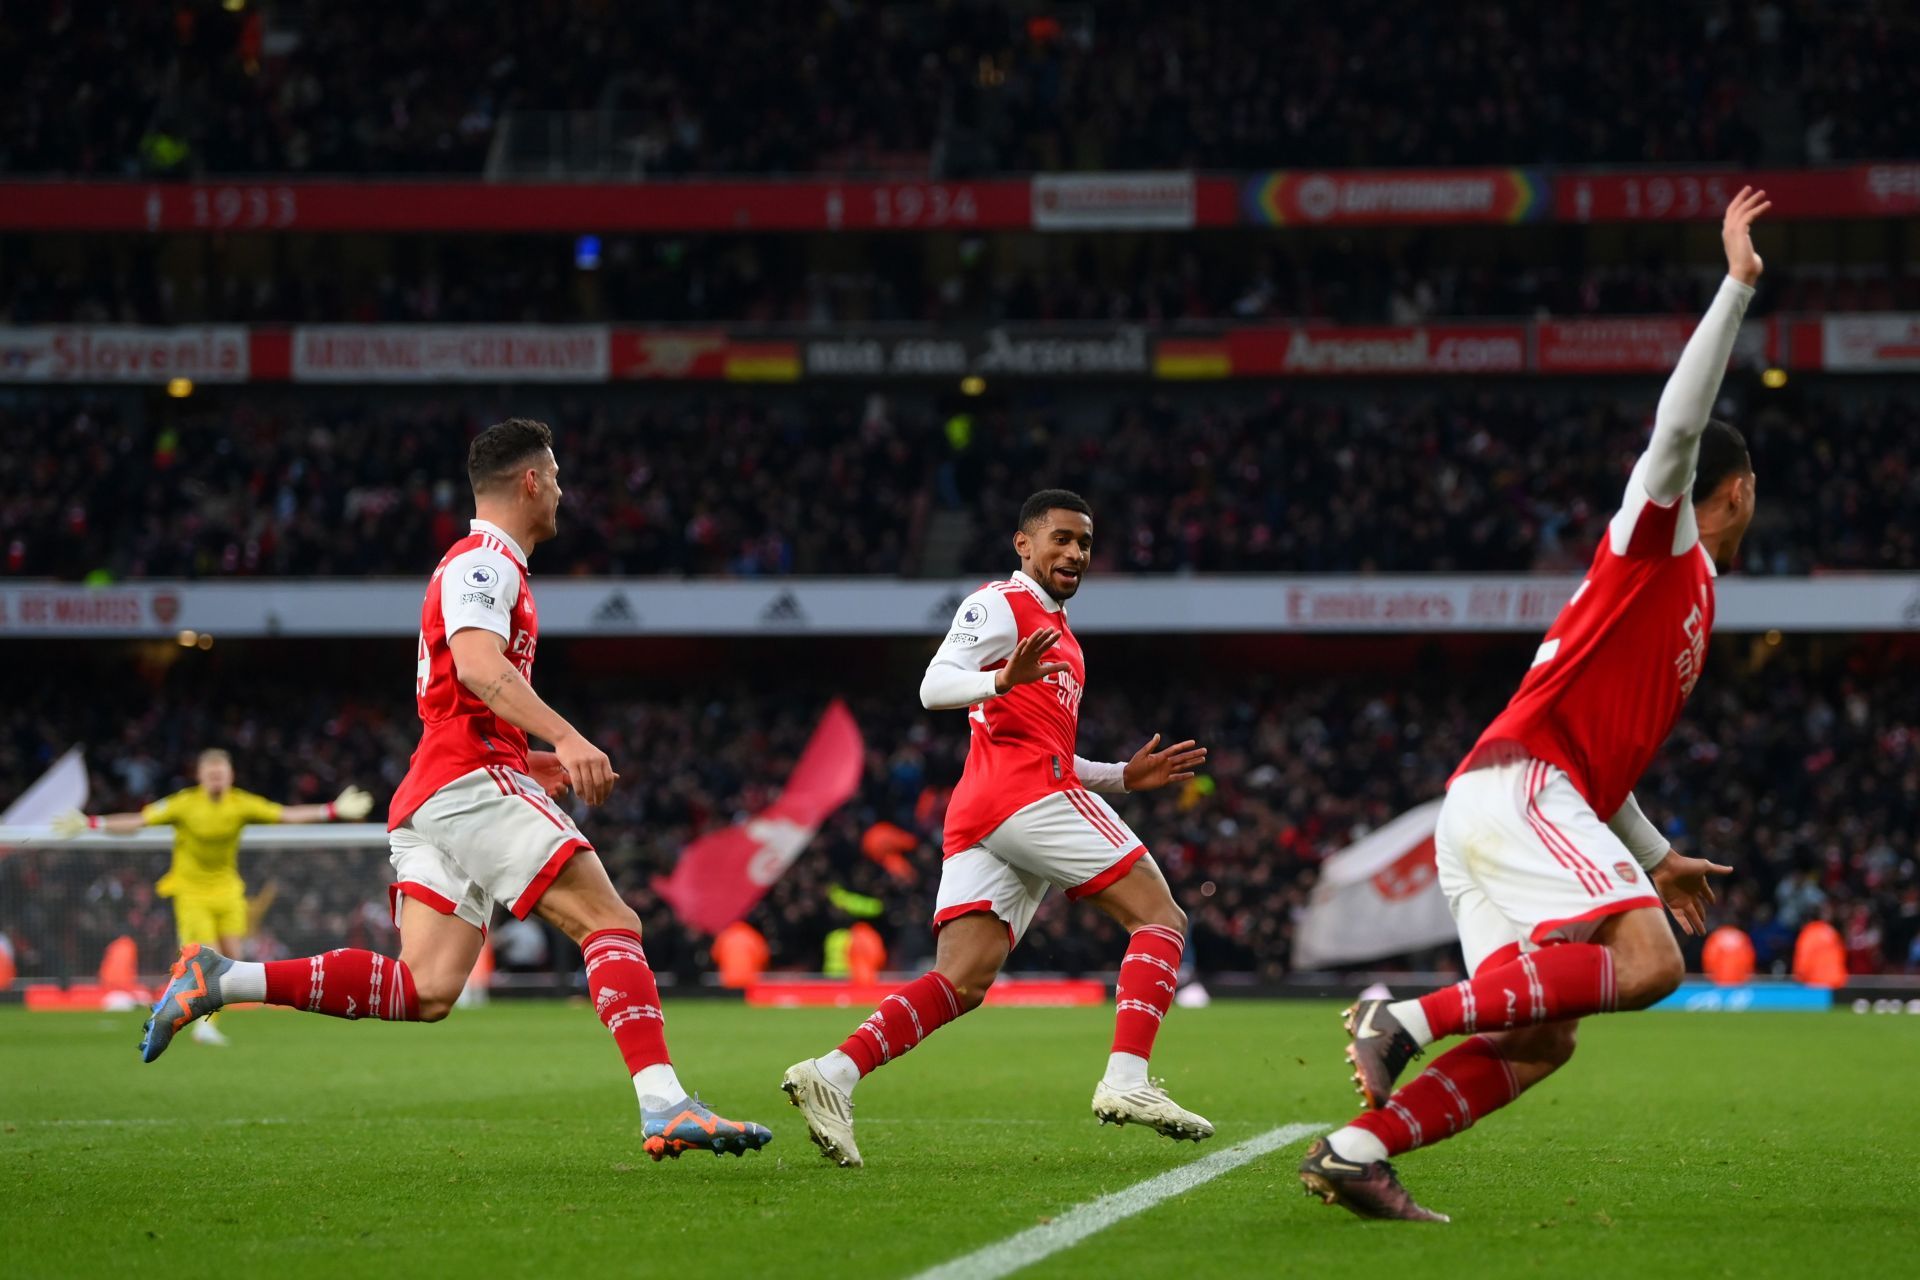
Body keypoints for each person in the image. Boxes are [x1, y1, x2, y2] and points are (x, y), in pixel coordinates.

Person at [1299, 188, 1770, 1222]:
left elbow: (1609, 757)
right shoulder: (1664, 542)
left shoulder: (1688, 596)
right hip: (1521, 789)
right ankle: (1406, 1016)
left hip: (1505, 799)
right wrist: (1735, 289)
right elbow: (1679, 425)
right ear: (1735, 489)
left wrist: (1652, 850)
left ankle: (1352, 1150)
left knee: (1542, 1033)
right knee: (1648, 963)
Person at [137, 417, 773, 1161]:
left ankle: (221, 977)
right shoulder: (485, 562)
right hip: (465, 784)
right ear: (531, 481)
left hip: (439, 788)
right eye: (558, 477)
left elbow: (455, 698)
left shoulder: (484, 565)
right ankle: (666, 1105)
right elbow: (476, 666)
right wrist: (563, 737)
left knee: (427, 988)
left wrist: (526, 757)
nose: (564, 493)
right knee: (610, 919)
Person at [781, 488, 1211, 1167]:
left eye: (1085, 544)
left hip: (994, 805)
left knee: (963, 979)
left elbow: (1044, 742)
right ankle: (1128, 1080)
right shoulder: (999, 604)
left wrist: (1120, 777)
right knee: (1160, 916)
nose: (1074, 553)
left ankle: (832, 1073)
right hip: (1023, 797)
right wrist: (999, 680)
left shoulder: (1062, 636)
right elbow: (934, 685)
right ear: (1024, 545)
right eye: (1061, 538)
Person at [54, 749, 371, 1046]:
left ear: (230, 775)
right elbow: (138, 821)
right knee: (207, 958)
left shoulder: (240, 803)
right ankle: (194, 1020)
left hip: (228, 890)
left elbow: (285, 815)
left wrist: (330, 809)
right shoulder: (185, 803)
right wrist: (92, 822)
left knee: (235, 959)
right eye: (211, 771)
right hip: (192, 892)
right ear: (201, 775)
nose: (217, 776)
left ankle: (191, 1013)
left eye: (222, 771)